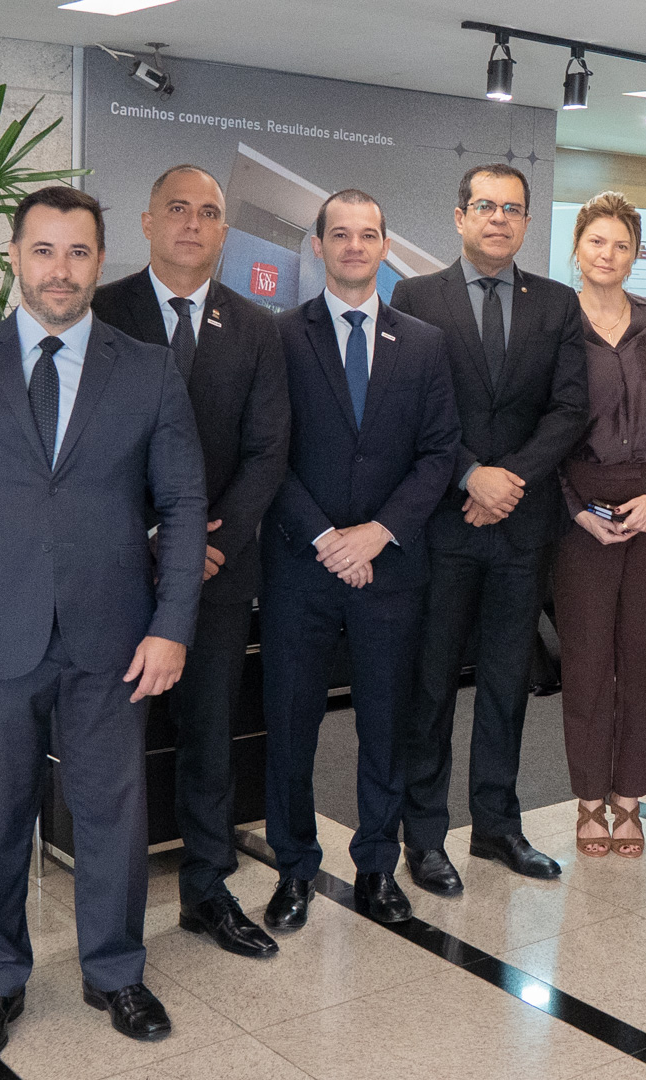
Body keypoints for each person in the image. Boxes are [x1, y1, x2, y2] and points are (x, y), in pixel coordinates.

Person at [0, 186, 206, 1059]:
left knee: (114, 813)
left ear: (100, 259)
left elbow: (184, 504)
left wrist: (173, 624)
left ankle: (115, 971)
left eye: (77, 252)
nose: (59, 270)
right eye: (43, 250)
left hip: (117, 633)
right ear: (15, 256)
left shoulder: (146, 369)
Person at [91, 164, 292, 958]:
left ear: (224, 232)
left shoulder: (257, 327)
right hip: (116, 568)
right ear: (147, 222)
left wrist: (212, 543)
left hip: (217, 569)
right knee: (114, 746)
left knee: (210, 738)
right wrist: (148, 538)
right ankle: (112, 913)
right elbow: (83, 445)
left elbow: (268, 450)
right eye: (177, 208)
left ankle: (208, 891)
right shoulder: (101, 311)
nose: (193, 224)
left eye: (209, 212)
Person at [259, 189, 461, 928]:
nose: (353, 246)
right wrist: (326, 539)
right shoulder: (279, 336)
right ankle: (293, 868)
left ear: (384, 246)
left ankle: (377, 865)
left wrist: (379, 532)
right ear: (317, 245)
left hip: (391, 569)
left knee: (387, 722)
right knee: (291, 726)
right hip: (299, 568)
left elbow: (439, 453)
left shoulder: (425, 343)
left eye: (367, 235)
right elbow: (267, 453)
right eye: (339, 234)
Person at [391, 164, 590, 892]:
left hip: (521, 528)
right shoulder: (416, 297)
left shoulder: (557, 303)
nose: (498, 218)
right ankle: (424, 836)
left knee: (508, 684)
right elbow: (409, 405)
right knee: (432, 688)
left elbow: (570, 408)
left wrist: (509, 481)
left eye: (512, 208)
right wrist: (471, 474)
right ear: (460, 216)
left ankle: (498, 826)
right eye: (485, 206)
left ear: (527, 223)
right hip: (443, 523)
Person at [554, 191, 646, 859]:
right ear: (577, 247)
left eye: (621, 245)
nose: (608, 254)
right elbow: (539, 426)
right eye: (597, 241)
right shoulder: (554, 323)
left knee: (644, 658)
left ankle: (630, 798)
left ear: (637, 255)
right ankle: (588, 798)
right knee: (585, 661)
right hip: (579, 511)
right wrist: (574, 507)